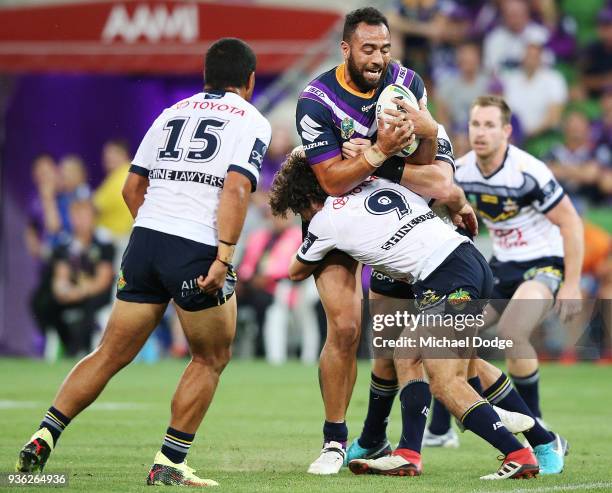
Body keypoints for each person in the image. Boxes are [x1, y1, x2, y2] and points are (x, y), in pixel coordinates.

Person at [16, 37, 271, 487]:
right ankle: (170, 461)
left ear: (205, 77)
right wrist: (224, 254)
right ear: (249, 81)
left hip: (146, 240)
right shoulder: (251, 119)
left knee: (111, 351)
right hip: (196, 246)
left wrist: (157, 235)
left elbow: (131, 189)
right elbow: (235, 189)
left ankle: (44, 434)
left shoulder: (171, 113)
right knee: (211, 356)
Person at [269, 150, 540, 480]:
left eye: (301, 209)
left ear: (310, 196)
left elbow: (295, 271)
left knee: (444, 383)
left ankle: (518, 453)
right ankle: (409, 453)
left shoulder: (326, 219)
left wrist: (316, 237)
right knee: (407, 351)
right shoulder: (377, 181)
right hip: (467, 259)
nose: (305, 216)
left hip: (445, 278)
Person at [295, 6, 455, 474]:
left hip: (391, 218)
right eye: (368, 49)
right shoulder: (317, 101)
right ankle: (334, 441)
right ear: (345, 49)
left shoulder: (407, 83)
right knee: (345, 327)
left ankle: (378, 441)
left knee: (393, 338)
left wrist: (408, 140)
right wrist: (382, 150)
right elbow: (331, 182)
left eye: (385, 48)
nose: (379, 58)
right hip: (336, 218)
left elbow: (429, 171)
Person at [446, 94, 580, 471]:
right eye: (475, 124)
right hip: (501, 266)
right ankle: (447, 425)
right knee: (455, 332)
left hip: (543, 264)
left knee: (512, 331)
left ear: (506, 131)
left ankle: (540, 432)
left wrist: (570, 284)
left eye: (490, 125)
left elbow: (570, 222)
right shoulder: (462, 169)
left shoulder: (528, 171)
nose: (481, 132)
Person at [51, 199, 115, 356]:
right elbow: (61, 276)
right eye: (76, 216)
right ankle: (66, 343)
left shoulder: (103, 242)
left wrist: (81, 292)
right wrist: (63, 291)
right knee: (46, 303)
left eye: (84, 216)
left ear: (93, 217)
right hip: (74, 291)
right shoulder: (65, 244)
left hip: (97, 292)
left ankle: (81, 350)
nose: (80, 221)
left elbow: (103, 280)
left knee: (90, 305)